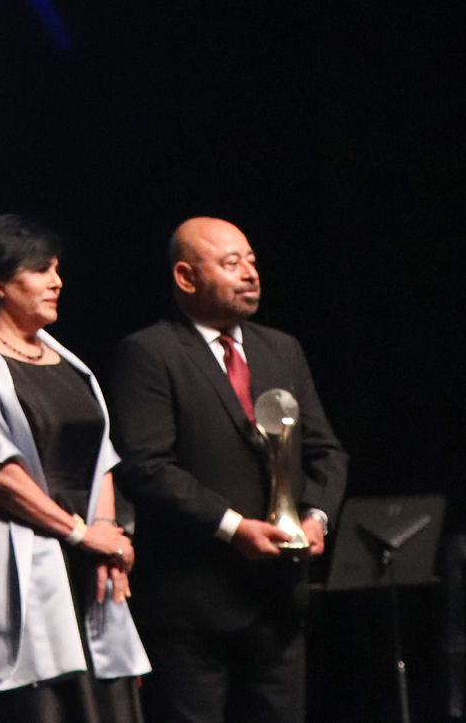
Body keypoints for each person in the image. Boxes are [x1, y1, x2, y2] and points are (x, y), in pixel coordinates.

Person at [107, 218, 348, 723]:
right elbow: (147, 467)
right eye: (231, 263)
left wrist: (316, 518)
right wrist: (234, 527)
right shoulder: (150, 352)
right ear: (186, 276)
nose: (250, 274)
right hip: (193, 604)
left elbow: (326, 452)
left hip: (277, 601)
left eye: (252, 261)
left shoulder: (282, 348)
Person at [0, 214, 150, 723]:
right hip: (16, 543)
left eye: (57, 269)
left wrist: (104, 531)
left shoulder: (64, 359)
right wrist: (79, 533)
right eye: (40, 270)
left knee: (102, 696)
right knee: (38, 704)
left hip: (85, 548)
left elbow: (100, 454)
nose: (57, 282)